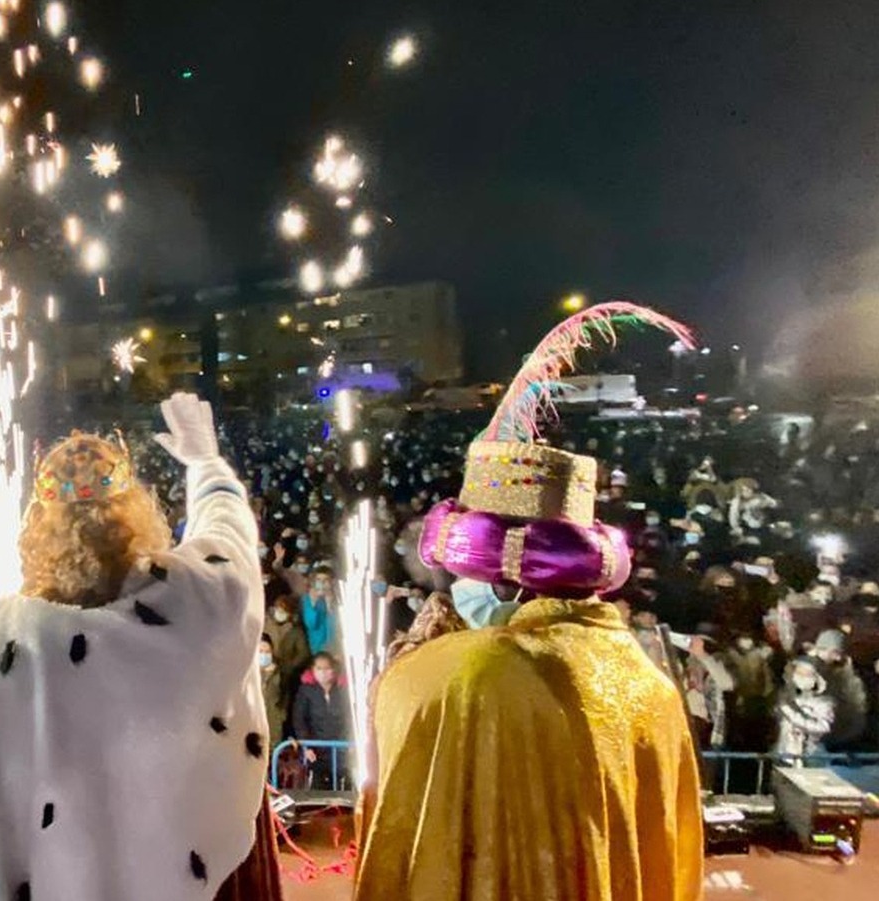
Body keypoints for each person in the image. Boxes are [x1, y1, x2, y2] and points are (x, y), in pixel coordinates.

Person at [354, 303, 703, 900]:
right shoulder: (649, 682)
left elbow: (395, 757)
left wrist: (420, 652)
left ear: (511, 583)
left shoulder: (466, 676)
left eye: (464, 574)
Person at [0, 393, 279, 901]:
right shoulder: (196, 597)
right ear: (135, 511)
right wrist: (205, 464)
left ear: (39, 524)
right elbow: (229, 540)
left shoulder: (4, 639)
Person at [290, 652, 350, 790]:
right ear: (313, 670)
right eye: (319, 668)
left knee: (345, 787)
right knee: (318, 787)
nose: (323, 673)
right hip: (316, 749)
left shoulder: (344, 690)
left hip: (342, 749)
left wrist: (349, 744)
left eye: (327, 668)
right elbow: (299, 718)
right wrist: (306, 746)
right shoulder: (306, 691)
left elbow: (350, 719)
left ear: (334, 669)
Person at [774, 657, 834, 763]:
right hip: (784, 754)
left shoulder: (823, 702)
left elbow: (824, 727)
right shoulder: (786, 698)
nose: (802, 677)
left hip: (811, 756)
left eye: (807, 674)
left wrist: (792, 714)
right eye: (799, 673)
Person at [258, 635, 287, 752]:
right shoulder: (248, 674)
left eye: (267, 651)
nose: (264, 655)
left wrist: (281, 715)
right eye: (260, 651)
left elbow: (286, 697)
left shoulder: (280, 673)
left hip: (274, 723)